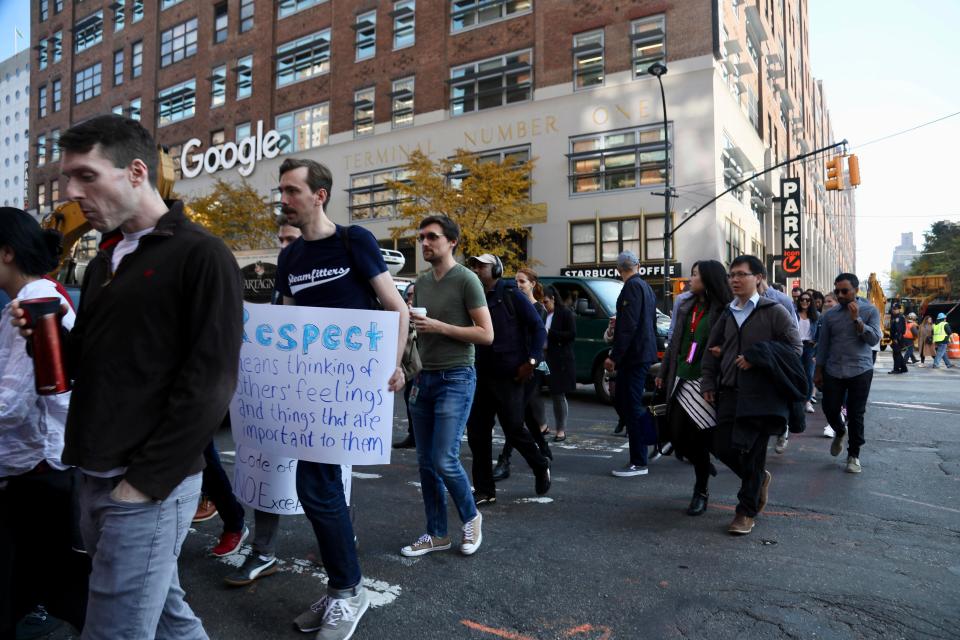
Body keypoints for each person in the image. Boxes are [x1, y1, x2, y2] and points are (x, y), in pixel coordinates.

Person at [9, 115, 244, 639]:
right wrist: (42, 338)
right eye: (69, 178)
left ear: (136, 171)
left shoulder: (202, 255)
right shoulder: (106, 259)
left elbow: (211, 383)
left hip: (145, 486)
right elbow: (88, 365)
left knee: (113, 629)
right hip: (93, 472)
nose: (72, 193)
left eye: (86, 176)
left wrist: (142, 486)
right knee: (165, 614)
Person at [274, 158, 408, 639]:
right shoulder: (290, 259)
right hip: (309, 394)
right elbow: (283, 330)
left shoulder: (355, 241)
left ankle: (349, 591)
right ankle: (342, 589)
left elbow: (396, 308)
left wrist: (392, 365)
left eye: (292, 190)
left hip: (349, 394)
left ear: (319, 195)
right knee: (320, 489)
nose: (284, 198)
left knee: (319, 488)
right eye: (283, 190)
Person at [0, 209, 90, 639]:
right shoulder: (32, 297)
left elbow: (12, 404)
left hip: (41, 468)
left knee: (49, 583)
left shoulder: (36, 301)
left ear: (6, 252)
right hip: (38, 466)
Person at [401, 215, 493, 558]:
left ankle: (471, 516)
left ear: (452, 241)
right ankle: (437, 533)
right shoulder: (422, 283)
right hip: (424, 378)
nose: (424, 243)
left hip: (456, 377)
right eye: (421, 237)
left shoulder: (467, 279)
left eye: (432, 237)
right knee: (426, 462)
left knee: (444, 458)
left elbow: (486, 334)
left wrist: (438, 326)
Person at [225, 217, 303, 587]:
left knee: (332, 474)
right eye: (281, 240)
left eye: (291, 240)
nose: (284, 246)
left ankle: (341, 541)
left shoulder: (324, 286)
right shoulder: (264, 289)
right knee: (267, 470)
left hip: (320, 399)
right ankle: (263, 552)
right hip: (273, 395)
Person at [701, 255, 803, 535]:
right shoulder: (727, 312)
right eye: (731, 275)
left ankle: (745, 512)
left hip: (762, 394)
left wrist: (758, 356)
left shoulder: (774, 311)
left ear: (758, 278)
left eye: (741, 274)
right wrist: (708, 382)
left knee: (755, 452)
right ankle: (758, 481)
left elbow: (796, 350)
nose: (734, 279)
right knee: (721, 445)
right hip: (730, 390)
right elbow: (712, 349)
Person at [465, 254, 551, 506]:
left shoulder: (512, 294)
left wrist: (532, 361)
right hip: (481, 374)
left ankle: (539, 463)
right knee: (477, 433)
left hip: (510, 375)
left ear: (497, 269)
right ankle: (484, 489)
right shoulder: (475, 296)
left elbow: (538, 328)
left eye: (483, 265)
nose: (478, 269)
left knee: (513, 427)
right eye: (476, 266)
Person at [656, 260, 732, 516]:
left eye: (695, 275)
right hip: (681, 377)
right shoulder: (686, 305)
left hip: (706, 382)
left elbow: (735, 344)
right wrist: (665, 372)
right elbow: (675, 342)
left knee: (702, 439)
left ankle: (701, 490)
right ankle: (704, 466)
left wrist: (724, 353)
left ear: (709, 279)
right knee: (677, 436)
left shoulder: (725, 309)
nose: (690, 279)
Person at [815, 273, 881, 474]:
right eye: (837, 291)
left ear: (856, 290)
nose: (840, 295)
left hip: (860, 369)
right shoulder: (830, 315)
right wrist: (818, 370)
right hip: (834, 369)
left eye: (845, 291)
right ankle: (840, 430)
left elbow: (873, 339)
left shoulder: (869, 310)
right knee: (829, 407)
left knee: (856, 413)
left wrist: (857, 320)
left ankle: (854, 455)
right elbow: (823, 344)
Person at [493, 267, 551, 482]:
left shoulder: (538, 308)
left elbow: (536, 335)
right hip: (514, 365)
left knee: (514, 418)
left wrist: (531, 362)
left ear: (532, 284)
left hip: (528, 367)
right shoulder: (511, 303)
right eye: (516, 281)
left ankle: (505, 460)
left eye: (523, 281)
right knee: (525, 414)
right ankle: (543, 447)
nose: (518, 285)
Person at [606, 251, 659, 477]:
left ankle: (639, 460)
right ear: (639, 265)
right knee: (631, 403)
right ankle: (649, 445)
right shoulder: (646, 288)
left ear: (618, 269)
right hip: (643, 353)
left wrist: (614, 356)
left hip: (633, 356)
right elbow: (651, 323)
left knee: (630, 405)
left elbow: (628, 326)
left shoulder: (631, 288)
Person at [542, 285, 577, 443]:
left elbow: (571, 334)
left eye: (546, 301)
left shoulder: (565, 313)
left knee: (558, 394)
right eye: (542, 302)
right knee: (535, 391)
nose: (544, 305)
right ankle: (542, 425)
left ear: (554, 299)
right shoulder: (542, 313)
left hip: (559, 359)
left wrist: (550, 333)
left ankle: (561, 429)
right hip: (543, 357)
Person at [393, 282, 419, 449]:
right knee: (409, 400)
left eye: (413, 295)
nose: (410, 298)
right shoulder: (403, 315)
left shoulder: (425, 315)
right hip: (409, 367)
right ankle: (413, 435)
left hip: (425, 368)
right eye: (408, 295)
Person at [796, 292, 819, 412]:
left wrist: (817, 343)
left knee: (809, 375)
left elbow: (821, 333)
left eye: (808, 300)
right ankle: (799, 401)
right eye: (802, 299)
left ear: (811, 302)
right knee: (798, 374)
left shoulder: (816, 316)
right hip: (797, 346)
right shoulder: (794, 314)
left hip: (810, 348)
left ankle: (808, 401)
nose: (805, 302)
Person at [888, 304, 908, 374]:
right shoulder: (895, 317)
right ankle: (903, 368)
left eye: (895, 309)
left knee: (896, 354)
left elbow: (899, 329)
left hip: (898, 338)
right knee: (898, 353)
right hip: (896, 338)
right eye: (893, 308)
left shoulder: (899, 317)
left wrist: (896, 339)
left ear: (899, 309)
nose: (894, 310)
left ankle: (896, 369)